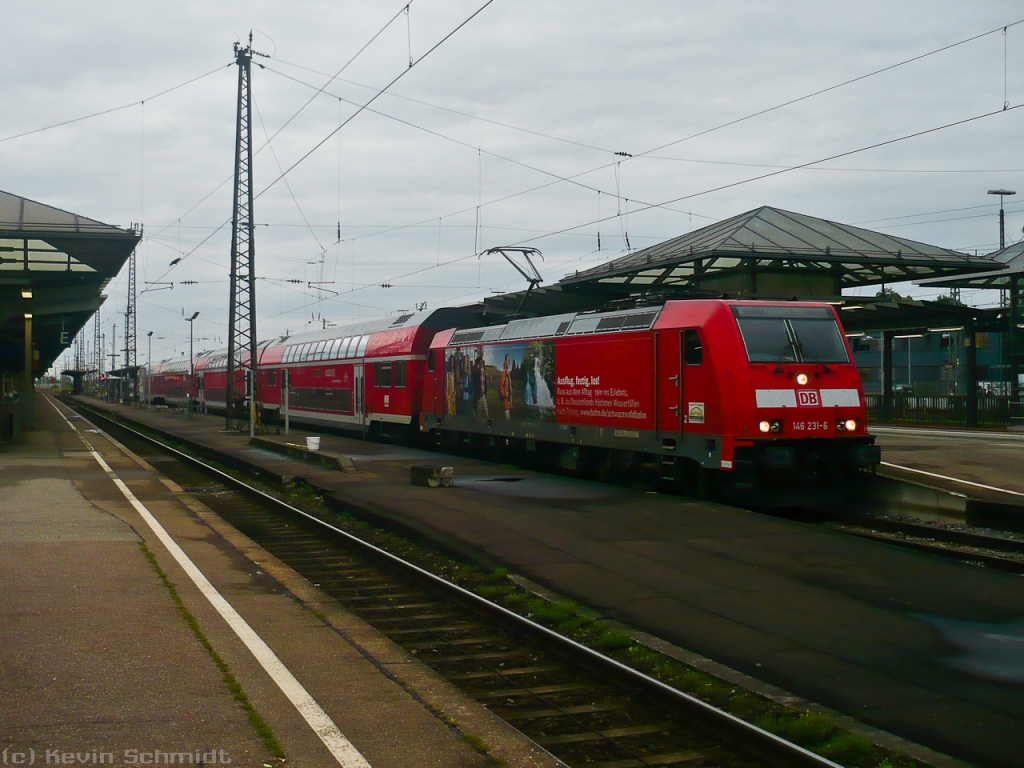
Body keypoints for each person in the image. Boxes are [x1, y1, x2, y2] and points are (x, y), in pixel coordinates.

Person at [499, 354, 512, 418]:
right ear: (505, 361)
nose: (508, 362)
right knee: (507, 417)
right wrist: (504, 394)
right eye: (507, 360)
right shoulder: (504, 373)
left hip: (509, 399)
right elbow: (501, 386)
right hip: (505, 399)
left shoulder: (507, 373)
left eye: (509, 360)